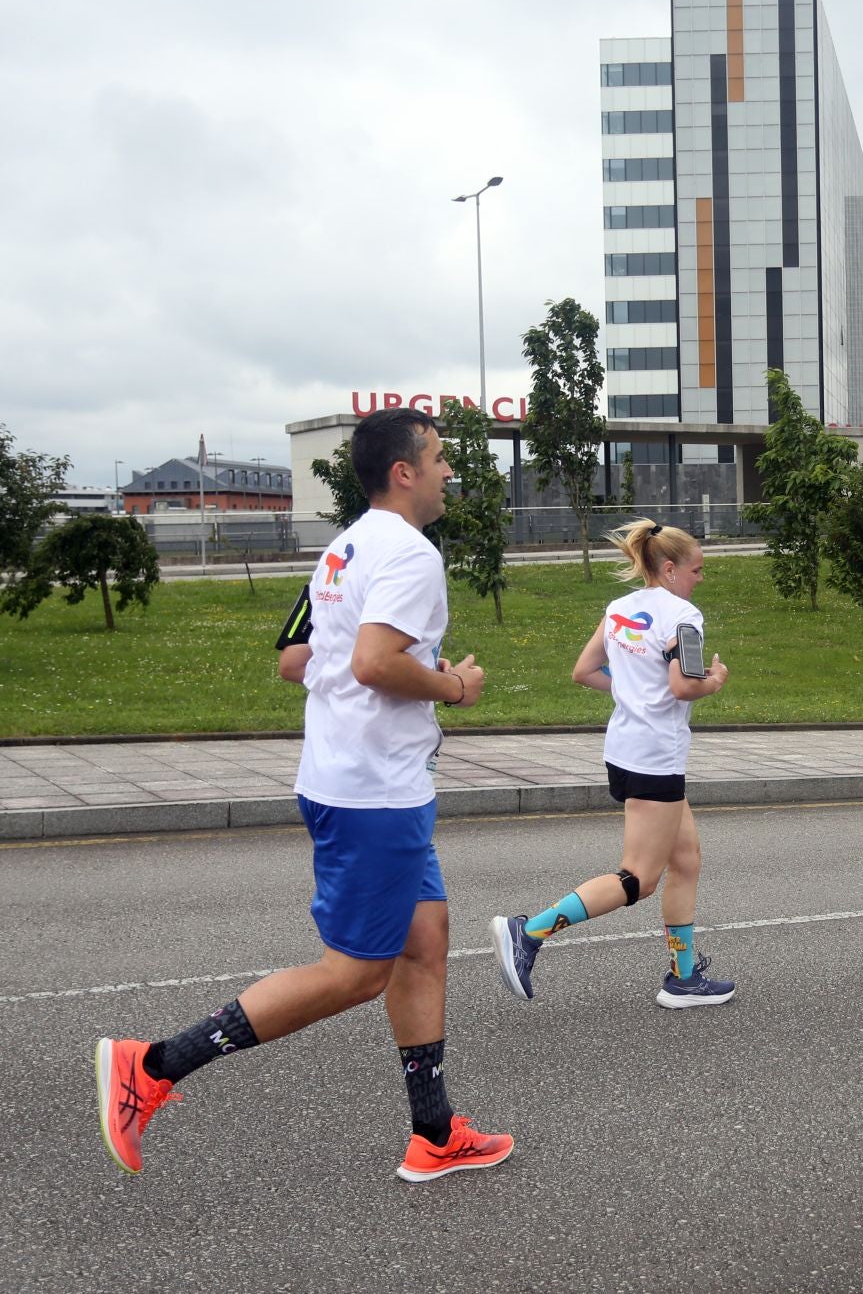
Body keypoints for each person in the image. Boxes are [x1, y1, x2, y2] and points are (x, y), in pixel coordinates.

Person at [94, 407, 513, 1183]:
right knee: (355, 973)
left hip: (366, 782)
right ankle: (152, 1065)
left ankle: (435, 1132)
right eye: (441, 457)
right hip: (371, 795)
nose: (450, 470)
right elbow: (372, 662)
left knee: (425, 942)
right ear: (404, 470)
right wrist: (454, 686)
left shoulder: (345, 547)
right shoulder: (410, 553)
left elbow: (318, 659)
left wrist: (417, 670)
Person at [491, 518, 735, 1010]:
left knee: (686, 861)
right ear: (669, 568)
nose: (700, 579)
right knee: (638, 880)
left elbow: (583, 671)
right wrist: (715, 679)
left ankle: (683, 978)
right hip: (655, 758)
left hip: (625, 753)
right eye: (696, 569)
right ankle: (529, 931)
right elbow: (685, 685)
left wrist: (631, 691)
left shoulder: (619, 609)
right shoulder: (683, 615)